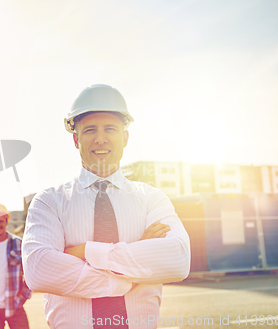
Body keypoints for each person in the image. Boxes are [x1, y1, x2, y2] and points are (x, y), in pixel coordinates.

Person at [22, 84, 191, 329]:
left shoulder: (151, 198)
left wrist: (83, 252)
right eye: (90, 130)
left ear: (125, 137)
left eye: (110, 129)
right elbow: (39, 270)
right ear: (75, 139)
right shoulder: (49, 201)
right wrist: (135, 258)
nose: (100, 138)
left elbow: (177, 259)